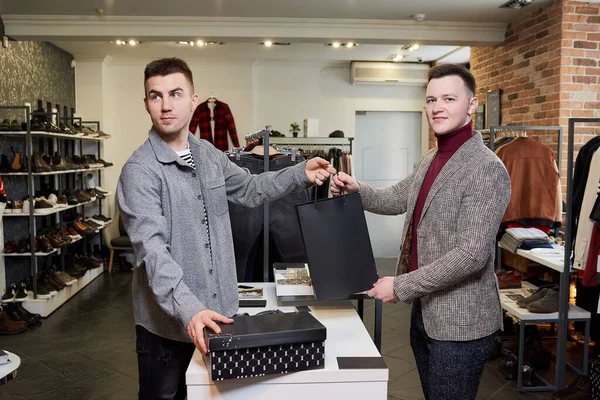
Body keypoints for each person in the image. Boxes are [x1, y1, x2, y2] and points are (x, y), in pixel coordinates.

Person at [117, 57, 335, 400]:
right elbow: (152, 252)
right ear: (146, 103)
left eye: (175, 93)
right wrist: (191, 311)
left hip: (220, 316)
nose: (166, 105)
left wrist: (299, 173)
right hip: (167, 331)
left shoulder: (209, 155)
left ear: (193, 99)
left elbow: (250, 189)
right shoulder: (140, 171)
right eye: (155, 96)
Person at [331, 64, 511, 399]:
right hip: (426, 312)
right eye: (431, 99)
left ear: (472, 105)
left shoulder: (486, 169)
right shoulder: (431, 158)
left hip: (460, 322)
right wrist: (358, 189)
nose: (437, 107)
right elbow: (398, 198)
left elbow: (471, 255)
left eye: (448, 98)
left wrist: (400, 286)